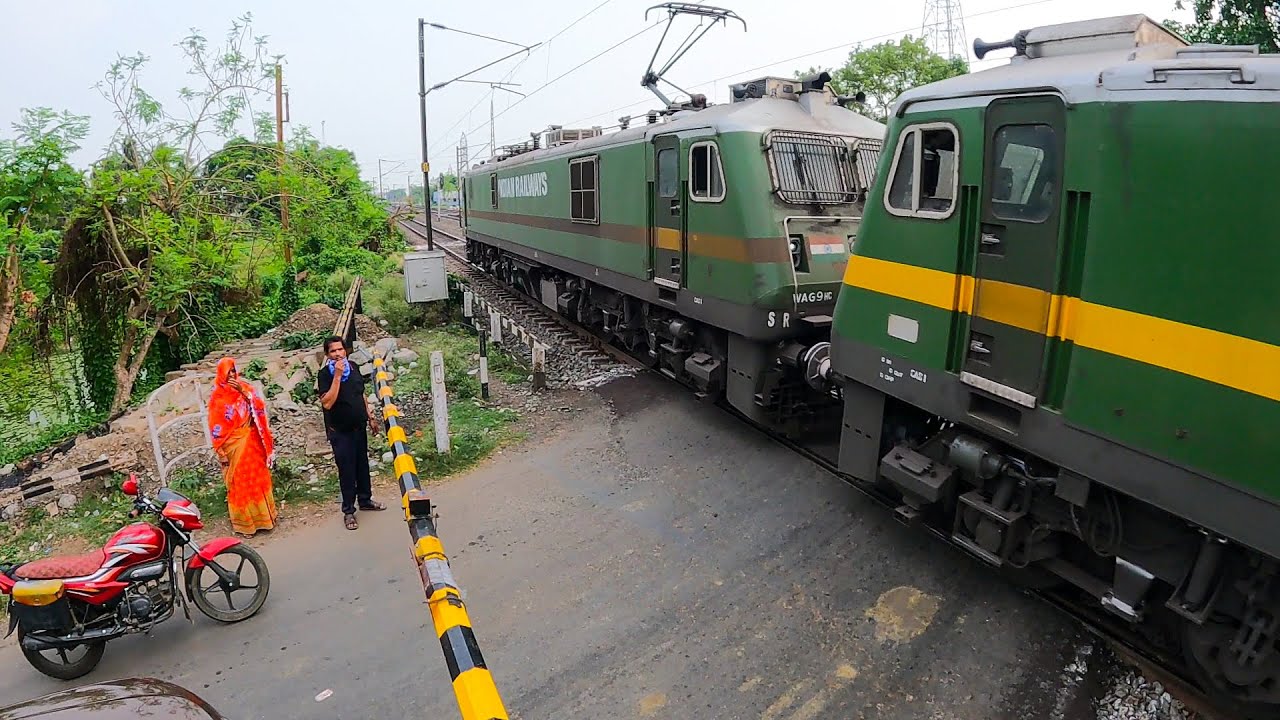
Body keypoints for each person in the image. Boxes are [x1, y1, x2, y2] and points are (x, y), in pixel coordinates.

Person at [316, 336, 386, 530]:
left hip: (358, 426)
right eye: (333, 351)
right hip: (340, 431)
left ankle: (365, 500)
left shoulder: (353, 367)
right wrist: (337, 376)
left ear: (345, 350)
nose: (338, 354)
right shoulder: (325, 375)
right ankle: (348, 511)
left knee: (362, 465)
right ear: (327, 355)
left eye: (340, 349)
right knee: (347, 470)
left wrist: (370, 416)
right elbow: (327, 403)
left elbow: (360, 393)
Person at [207, 357, 279, 537]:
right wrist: (220, 451)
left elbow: (258, 407)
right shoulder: (217, 397)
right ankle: (246, 525)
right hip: (233, 445)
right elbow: (215, 426)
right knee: (240, 482)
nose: (232, 375)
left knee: (258, 478)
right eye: (228, 372)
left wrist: (243, 392)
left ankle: (266, 518)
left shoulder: (245, 388)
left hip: (252, 442)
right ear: (221, 374)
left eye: (233, 371)